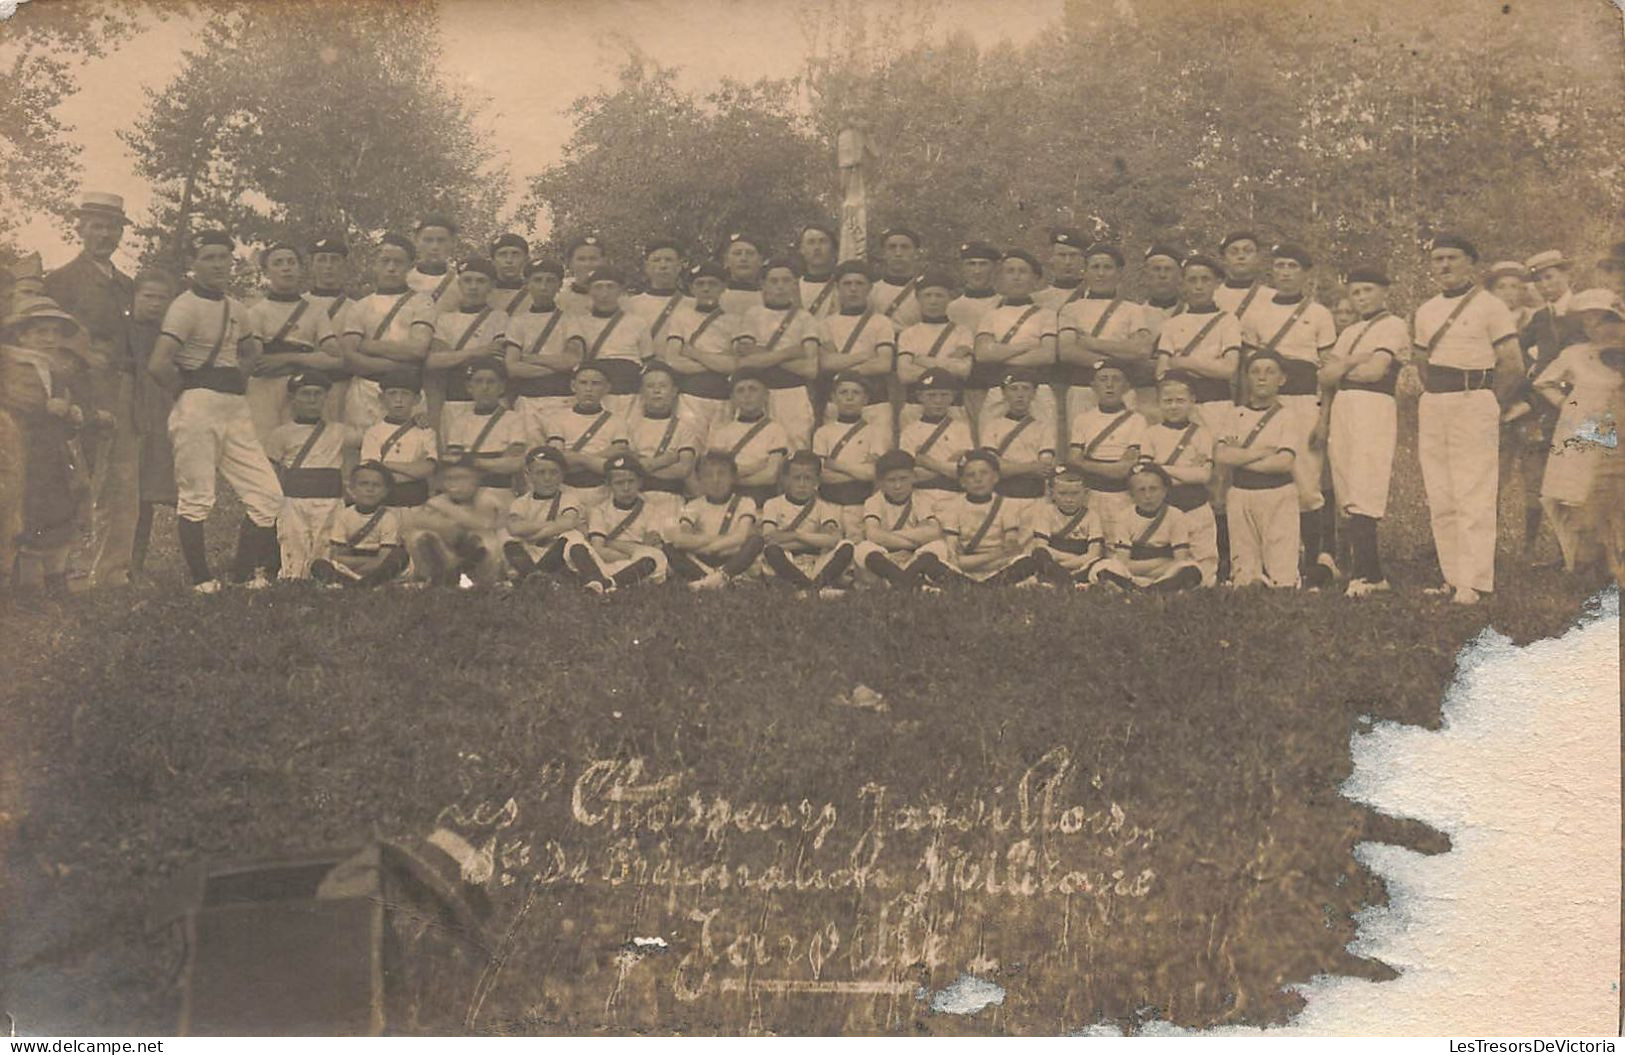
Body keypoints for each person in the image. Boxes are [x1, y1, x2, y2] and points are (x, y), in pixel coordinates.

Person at [147, 230, 284, 591]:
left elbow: (252, 352)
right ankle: (202, 580)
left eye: (224, 256)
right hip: (197, 405)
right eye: (209, 257)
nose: (218, 264)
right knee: (197, 496)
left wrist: (236, 377)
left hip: (235, 406)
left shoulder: (237, 308)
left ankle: (240, 575)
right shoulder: (184, 306)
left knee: (268, 493)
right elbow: (159, 363)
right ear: (193, 264)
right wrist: (190, 392)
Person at [1412, 233, 1525, 604]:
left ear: (1471, 263)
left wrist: (1490, 403)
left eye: (1453, 258)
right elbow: (1421, 364)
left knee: (1472, 490)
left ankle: (1474, 582)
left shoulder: (1490, 306)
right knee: (1441, 492)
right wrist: (1438, 394)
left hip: (1473, 398)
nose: (1444, 266)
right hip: (1435, 402)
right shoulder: (1426, 310)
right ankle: (1451, 576)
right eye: (1438, 259)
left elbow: (1513, 364)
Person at [43, 191, 137, 587]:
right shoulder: (60, 281)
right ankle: (69, 570)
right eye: (96, 225)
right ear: (80, 228)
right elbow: (49, 342)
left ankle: (111, 571)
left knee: (121, 482)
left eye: (112, 227)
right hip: (78, 393)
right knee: (76, 481)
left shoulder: (128, 285)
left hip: (122, 392)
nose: (104, 234)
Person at [1239, 243, 1338, 587]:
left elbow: (1328, 371)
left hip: (1303, 402)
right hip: (1269, 403)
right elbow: (1247, 369)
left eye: (1292, 266)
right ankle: (1274, 560)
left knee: (1307, 484)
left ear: (1305, 273)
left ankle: (1313, 561)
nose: (1284, 272)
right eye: (1279, 265)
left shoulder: (1320, 314)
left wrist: (1324, 417)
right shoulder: (1256, 313)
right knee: (1272, 480)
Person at [1317, 267, 1409, 596]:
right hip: (1344, 408)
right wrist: (1352, 360)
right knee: (1345, 483)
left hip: (1373, 406)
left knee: (1365, 480)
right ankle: (1371, 572)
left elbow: (1374, 372)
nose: (1361, 298)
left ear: (1384, 291)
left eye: (1368, 290)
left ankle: (1365, 575)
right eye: (1356, 292)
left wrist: (1341, 367)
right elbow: (1325, 378)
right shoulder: (1349, 332)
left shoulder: (1393, 325)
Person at [0, 297, 95, 596]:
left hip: (51, 449)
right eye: (41, 332)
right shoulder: (11, 364)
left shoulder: (54, 367)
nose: (49, 339)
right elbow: (13, 401)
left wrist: (71, 412)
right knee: (24, 511)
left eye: (54, 333)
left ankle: (55, 577)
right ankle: (24, 584)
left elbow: (61, 405)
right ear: (22, 334)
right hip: (19, 446)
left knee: (58, 506)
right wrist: (47, 407)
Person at [1532, 288, 1625, 571]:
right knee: (1570, 490)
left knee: (1606, 490)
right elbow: (1543, 381)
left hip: (1613, 426)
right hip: (1578, 428)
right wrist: (1568, 404)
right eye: (1587, 321)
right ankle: (1576, 557)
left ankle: (1614, 558)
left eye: (1600, 319)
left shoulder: (1619, 355)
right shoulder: (1573, 354)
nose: (1593, 327)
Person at [1505, 249, 1583, 560]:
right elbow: (1513, 348)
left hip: (1585, 403)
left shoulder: (1586, 310)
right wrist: (1529, 369)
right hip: (1547, 405)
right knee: (1543, 482)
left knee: (1583, 479)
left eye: (1550, 277)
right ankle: (1544, 550)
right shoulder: (1540, 317)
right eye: (1539, 281)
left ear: (1567, 275)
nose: (1545, 285)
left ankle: (1589, 553)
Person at [244, 242, 342, 446]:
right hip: (264, 392)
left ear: (300, 269)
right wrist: (312, 359)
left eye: (291, 262)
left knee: (302, 447)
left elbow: (334, 358)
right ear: (267, 272)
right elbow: (257, 362)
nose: (286, 267)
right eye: (278, 263)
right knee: (264, 447)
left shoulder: (315, 311)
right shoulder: (256, 312)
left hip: (302, 391)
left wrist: (288, 358)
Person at [1216, 352, 1299, 589]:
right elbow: (1222, 455)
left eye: (1270, 371)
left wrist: (1239, 457)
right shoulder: (1235, 414)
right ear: (1246, 378)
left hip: (1277, 493)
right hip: (1241, 493)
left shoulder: (1287, 415)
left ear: (1282, 379)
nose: (1262, 378)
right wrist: (1263, 452)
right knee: (1243, 575)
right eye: (1255, 371)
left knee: (1283, 577)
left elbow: (1283, 462)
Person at [339, 233, 435, 429]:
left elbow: (418, 349)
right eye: (385, 261)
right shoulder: (359, 306)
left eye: (398, 262)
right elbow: (349, 357)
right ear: (374, 264)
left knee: (408, 451)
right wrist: (399, 367)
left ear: (410, 266)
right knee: (363, 450)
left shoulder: (422, 302)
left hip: (408, 393)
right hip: (366, 393)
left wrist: (366, 346)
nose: (391, 268)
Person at [263, 371, 351, 579]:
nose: (312, 399)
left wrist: (416, 421)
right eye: (305, 394)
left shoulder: (339, 431)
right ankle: (294, 578)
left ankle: (326, 577)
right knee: (294, 541)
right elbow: (269, 469)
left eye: (317, 394)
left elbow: (375, 434)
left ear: (325, 398)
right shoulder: (281, 434)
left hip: (329, 498)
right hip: (294, 499)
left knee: (327, 542)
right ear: (293, 399)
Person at [1056, 243, 1154, 428]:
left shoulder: (1133, 310)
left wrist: (1091, 343)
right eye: (1095, 267)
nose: (1101, 273)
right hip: (1083, 388)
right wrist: (1116, 357)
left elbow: (1141, 351)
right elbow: (1067, 351)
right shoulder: (1071, 309)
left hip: (1122, 390)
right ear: (1085, 273)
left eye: (1107, 267)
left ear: (1119, 273)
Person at [734, 258, 821, 449]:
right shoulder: (752, 314)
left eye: (786, 281)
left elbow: (810, 369)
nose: (780, 286)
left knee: (795, 449)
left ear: (794, 284)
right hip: (758, 393)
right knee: (756, 449)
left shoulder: (805, 319)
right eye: (774, 281)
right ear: (763, 285)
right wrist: (790, 352)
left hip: (793, 393)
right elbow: (747, 360)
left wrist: (763, 354)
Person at [1140, 375, 1218, 585]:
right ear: (1158, 402)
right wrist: (1184, 472)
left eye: (1180, 400)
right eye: (1167, 401)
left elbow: (1203, 475)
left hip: (1196, 506)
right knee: (1169, 557)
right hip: (1166, 508)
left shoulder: (1202, 434)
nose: (1174, 406)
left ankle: (1204, 588)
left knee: (1204, 556)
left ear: (1192, 400)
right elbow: (1148, 477)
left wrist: (1162, 468)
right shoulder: (1151, 433)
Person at [1153, 254, 1241, 433]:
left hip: (1217, 405)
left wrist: (1185, 363)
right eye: (1192, 280)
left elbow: (1228, 369)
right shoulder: (1173, 323)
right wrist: (1210, 367)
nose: (1198, 286)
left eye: (1205, 280)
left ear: (1216, 283)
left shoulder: (1228, 320)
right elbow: (1161, 373)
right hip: (1181, 409)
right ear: (1183, 284)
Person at [127, 271, 178, 578]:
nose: (155, 304)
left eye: (162, 298)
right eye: (148, 296)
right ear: (134, 298)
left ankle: (136, 563)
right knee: (125, 491)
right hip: (128, 411)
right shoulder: (124, 331)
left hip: (159, 414)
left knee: (146, 492)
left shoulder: (170, 337)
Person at [972, 250, 1057, 431]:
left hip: (1037, 390)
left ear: (1035, 279)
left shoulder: (1046, 315)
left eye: (1023, 271)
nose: (1016, 277)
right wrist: (1025, 346)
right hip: (999, 389)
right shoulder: (990, 315)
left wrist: (999, 355)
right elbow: (982, 354)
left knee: (1042, 441)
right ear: (1001, 278)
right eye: (1010, 271)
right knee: (992, 440)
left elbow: (1047, 355)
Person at [924, 449, 1036, 585]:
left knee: (1026, 562)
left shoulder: (1007, 505)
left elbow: (1010, 550)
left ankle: (974, 586)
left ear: (995, 477)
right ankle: (988, 586)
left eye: (984, 473)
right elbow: (954, 557)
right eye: (971, 475)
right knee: (930, 560)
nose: (978, 479)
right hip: (964, 566)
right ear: (962, 482)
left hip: (1000, 567)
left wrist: (1003, 553)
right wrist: (993, 556)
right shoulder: (952, 507)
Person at [564, 452, 671, 594]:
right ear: (609, 485)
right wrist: (631, 550)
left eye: (631, 481)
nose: (626, 488)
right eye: (619, 483)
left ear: (640, 482)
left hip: (636, 565)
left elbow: (650, 544)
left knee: (653, 557)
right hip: (603, 564)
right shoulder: (600, 510)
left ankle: (604, 584)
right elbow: (598, 548)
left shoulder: (651, 510)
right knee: (574, 541)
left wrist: (613, 545)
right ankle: (600, 581)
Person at [757, 450, 856, 596]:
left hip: (815, 561)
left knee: (847, 546)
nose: (802, 484)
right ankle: (815, 589)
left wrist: (796, 535)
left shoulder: (824, 507)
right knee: (771, 551)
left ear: (817, 482)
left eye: (808, 478)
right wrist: (815, 539)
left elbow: (832, 539)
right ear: (786, 480)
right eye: (797, 478)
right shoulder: (773, 504)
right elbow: (770, 537)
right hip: (787, 560)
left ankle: (809, 589)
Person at [1093, 462, 1203, 592]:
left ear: (1164, 491)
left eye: (1153, 489)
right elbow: (1124, 562)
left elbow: (1180, 559)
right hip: (1132, 573)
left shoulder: (1176, 515)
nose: (1148, 496)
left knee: (1190, 570)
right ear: (1132, 495)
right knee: (1102, 569)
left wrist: (1152, 568)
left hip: (1165, 574)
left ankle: (1140, 590)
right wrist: (1160, 562)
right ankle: (1155, 590)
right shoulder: (1123, 517)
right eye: (1141, 490)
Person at [427, 258, 507, 433]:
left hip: (486, 401)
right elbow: (434, 361)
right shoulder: (445, 319)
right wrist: (479, 352)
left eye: (480, 281)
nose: (473, 287)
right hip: (452, 400)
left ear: (491, 285)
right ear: (459, 284)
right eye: (467, 280)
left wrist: (453, 357)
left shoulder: (499, 317)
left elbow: (496, 363)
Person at [664, 451, 765, 589]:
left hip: (731, 555)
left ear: (732, 478)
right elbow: (682, 539)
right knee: (669, 547)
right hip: (703, 556)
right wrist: (711, 545)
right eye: (708, 475)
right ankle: (715, 578)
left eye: (722, 474)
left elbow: (740, 537)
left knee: (755, 541)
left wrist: (712, 547)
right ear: (700, 479)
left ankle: (712, 578)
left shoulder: (744, 502)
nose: (715, 480)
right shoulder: (693, 505)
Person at [661, 262, 738, 440]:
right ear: (691, 288)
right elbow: (673, 360)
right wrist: (717, 362)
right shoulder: (681, 317)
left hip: (723, 396)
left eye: (713, 284)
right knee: (689, 445)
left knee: (719, 448)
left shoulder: (734, 320)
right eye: (700, 284)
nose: (706, 289)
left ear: (723, 287)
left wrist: (695, 354)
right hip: (690, 395)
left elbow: (734, 364)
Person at [561, 267, 651, 418]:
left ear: (620, 290)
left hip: (629, 393)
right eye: (598, 287)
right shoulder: (578, 322)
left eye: (610, 286)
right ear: (589, 291)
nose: (604, 293)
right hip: (595, 394)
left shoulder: (637, 322)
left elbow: (647, 360)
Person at [818, 261, 896, 436]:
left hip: (875, 402)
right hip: (837, 403)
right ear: (837, 288)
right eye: (847, 283)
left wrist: (842, 362)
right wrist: (864, 356)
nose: (853, 289)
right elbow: (826, 364)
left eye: (859, 283)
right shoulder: (826, 324)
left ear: (869, 288)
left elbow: (883, 364)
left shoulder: (881, 322)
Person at [439, 358, 526, 513]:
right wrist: (496, 460)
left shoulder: (514, 419)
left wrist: (471, 460)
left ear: (501, 387)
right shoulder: (459, 421)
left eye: (491, 382)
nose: (484, 387)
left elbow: (514, 464)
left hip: (500, 493)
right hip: (465, 495)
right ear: (469, 387)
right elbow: (453, 463)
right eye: (478, 381)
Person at [1067, 359, 1146, 526]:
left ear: (1125, 386)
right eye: (1103, 379)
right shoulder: (1082, 419)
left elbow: (1124, 469)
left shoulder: (1137, 420)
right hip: (1090, 496)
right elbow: (1073, 460)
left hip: (1122, 496)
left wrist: (1086, 463)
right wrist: (1111, 467)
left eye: (1116, 379)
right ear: (1093, 386)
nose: (1109, 385)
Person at [405, 458, 506, 587]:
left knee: (485, 540)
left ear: (476, 479)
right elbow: (417, 521)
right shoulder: (438, 501)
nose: (454, 484)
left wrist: (447, 510)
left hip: (488, 562)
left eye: (461, 478)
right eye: (449, 479)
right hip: (450, 553)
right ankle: (438, 578)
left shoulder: (487, 496)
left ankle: (482, 583)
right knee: (419, 536)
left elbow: (485, 525)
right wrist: (450, 528)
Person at [852, 449, 943, 590]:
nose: (897, 486)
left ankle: (899, 583)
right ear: (881, 482)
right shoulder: (874, 501)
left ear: (913, 477)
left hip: (914, 558)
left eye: (903, 478)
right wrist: (915, 538)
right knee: (862, 549)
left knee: (938, 546)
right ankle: (912, 584)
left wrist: (888, 536)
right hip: (886, 559)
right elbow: (872, 535)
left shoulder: (922, 499)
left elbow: (933, 532)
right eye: (891, 480)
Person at [544, 362, 630, 512]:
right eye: (583, 383)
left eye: (596, 384)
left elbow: (615, 461)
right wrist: (597, 460)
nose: (589, 389)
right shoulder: (558, 419)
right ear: (573, 386)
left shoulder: (617, 421)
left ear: (607, 388)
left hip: (603, 492)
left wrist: (578, 458)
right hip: (567, 490)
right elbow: (557, 460)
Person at [309, 461, 410, 588]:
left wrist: (363, 565)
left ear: (385, 492)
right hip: (349, 568)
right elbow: (338, 556)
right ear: (351, 489)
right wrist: (361, 563)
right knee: (319, 564)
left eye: (376, 485)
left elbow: (384, 558)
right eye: (363, 484)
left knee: (400, 556)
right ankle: (363, 584)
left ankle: (354, 584)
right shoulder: (343, 515)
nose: (370, 489)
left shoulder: (389, 518)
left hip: (378, 569)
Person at [503, 259, 574, 432]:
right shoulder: (517, 321)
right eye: (537, 280)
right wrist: (556, 366)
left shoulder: (571, 320)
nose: (543, 287)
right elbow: (512, 367)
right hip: (527, 400)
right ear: (527, 285)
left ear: (559, 286)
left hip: (562, 399)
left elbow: (572, 360)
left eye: (550, 280)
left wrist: (530, 359)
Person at [624, 362, 700, 523]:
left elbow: (683, 469)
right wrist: (666, 460)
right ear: (642, 393)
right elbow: (626, 468)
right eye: (650, 386)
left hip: (671, 500)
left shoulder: (684, 428)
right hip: (636, 498)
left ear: (673, 392)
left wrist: (643, 465)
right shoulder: (629, 426)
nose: (657, 391)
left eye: (663, 386)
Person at [896, 269, 973, 427]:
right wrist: (948, 365)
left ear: (949, 298)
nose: (933, 301)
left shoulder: (962, 332)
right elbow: (905, 374)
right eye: (927, 295)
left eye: (939, 295)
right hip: (915, 407)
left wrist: (922, 360)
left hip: (953, 407)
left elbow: (964, 370)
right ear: (918, 298)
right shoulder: (908, 334)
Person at [813, 371, 885, 538]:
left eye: (856, 393)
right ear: (833, 398)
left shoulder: (875, 433)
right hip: (828, 504)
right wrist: (859, 471)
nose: (849, 398)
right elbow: (821, 475)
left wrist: (835, 465)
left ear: (866, 399)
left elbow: (873, 473)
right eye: (843, 392)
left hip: (860, 504)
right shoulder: (823, 433)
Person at [706, 369, 791, 507]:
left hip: (762, 499)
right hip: (729, 501)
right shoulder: (723, 432)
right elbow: (717, 473)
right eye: (740, 391)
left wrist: (732, 478)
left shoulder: (776, 429)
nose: (747, 395)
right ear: (732, 399)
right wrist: (757, 466)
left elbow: (770, 475)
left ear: (765, 395)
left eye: (753, 389)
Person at [980, 367, 1056, 520]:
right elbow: (992, 467)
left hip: (1035, 499)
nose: (1020, 395)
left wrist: (1008, 467)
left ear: (1034, 393)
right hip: (1001, 499)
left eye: (1026, 389)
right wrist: (1030, 467)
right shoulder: (993, 426)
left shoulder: (1044, 427)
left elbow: (1044, 468)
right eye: (1013, 389)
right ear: (1004, 393)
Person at [502, 446, 584, 584]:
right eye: (540, 473)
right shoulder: (522, 502)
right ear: (528, 475)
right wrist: (553, 526)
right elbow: (515, 528)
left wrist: (533, 535)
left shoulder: (569, 498)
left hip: (556, 555)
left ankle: (532, 578)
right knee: (507, 539)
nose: (547, 478)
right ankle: (536, 577)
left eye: (554, 473)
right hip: (530, 554)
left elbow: (567, 523)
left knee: (570, 536)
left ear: (562, 475)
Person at [359, 369, 437, 510]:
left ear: (417, 399)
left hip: (417, 502)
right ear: (382, 398)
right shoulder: (373, 432)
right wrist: (413, 470)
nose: (398, 400)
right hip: (384, 503)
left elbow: (427, 469)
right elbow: (372, 474)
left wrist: (386, 464)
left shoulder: (425, 432)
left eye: (405, 394)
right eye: (392, 393)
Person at [1025, 467, 1106, 588]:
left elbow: (1094, 554)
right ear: (1052, 493)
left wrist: (1061, 566)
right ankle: (1066, 581)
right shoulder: (1046, 512)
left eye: (1075, 493)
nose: (1069, 499)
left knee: (1101, 564)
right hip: (1054, 561)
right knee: (1038, 554)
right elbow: (1041, 546)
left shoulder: (1092, 516)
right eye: (1062, 493)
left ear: (1086, 493)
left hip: (1079, 566)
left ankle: (1058, 578)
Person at [898, 368, 974, 494]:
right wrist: (948, 467)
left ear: (952, 397)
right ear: (920, 397)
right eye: (931, 395)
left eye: (944, 395)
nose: (938, 401)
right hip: (921, 494)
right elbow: (911, 474)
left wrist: (928, 463)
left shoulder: (962, 429)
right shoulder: (910, 432)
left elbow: (966, 470)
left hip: (955, 494)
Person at [304, 237, 354, 424]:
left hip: (342, 386)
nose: (328, 266)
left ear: (344, 265)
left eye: (334, 260)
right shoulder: (299, 304)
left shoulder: (357, 307)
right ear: (312, 265)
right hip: (304, 387)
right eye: (322, 259)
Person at [627, 238, 690, 345]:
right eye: (656, 260)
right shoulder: (631, 305)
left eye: (669, 260)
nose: (663, 266)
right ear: (647, 266)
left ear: (679, 266)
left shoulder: (692, 304)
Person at [1213, 231, 1275, 325]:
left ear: (1258, 257)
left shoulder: (1272, 297)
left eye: (1248, 251)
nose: (1241, 256)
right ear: (1223, 259)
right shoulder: (1212, 297)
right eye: (1233, 252)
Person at [407, 214, 462, 317]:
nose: (434, 247)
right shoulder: (404, 281)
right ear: (416, 241)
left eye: (441, 241)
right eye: (428, 240)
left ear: (453, 243)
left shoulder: (461, 284)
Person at [870, 227, 923, 328]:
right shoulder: (871, 291)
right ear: (883, 253)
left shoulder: (925, 292)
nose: (898, 253)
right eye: (892, 247)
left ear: (916, 253)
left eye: (905, 247)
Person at [948, 241, 1002, 332]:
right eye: (971, 264)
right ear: (963, 268)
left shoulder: (1003, 304)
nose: (977, 271)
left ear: (995, 267)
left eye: (983, 264)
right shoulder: (951, 309)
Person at [1035, 228, 1089, 313]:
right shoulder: (1038, 300)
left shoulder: (1091, 297)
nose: (1068, 262)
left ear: (1082, 259)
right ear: (1052, 258)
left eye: (1073, 255)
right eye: (1062, 255)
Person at [1139, 244, 1185, 341]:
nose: (1162, 275)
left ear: (1180, 276)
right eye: (1156, 269)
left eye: (1168, 269)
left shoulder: (1189, 313)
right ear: (1145, 276)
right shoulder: (1134, 315)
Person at [796, 223, 840, 318]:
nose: (817, 248)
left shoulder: (844, 286)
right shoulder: (794, 289)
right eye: (811, 242)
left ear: (833, 248)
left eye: (823, 241)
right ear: (801, 249)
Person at [720, 233, 766, 317]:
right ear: (726, 261)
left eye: (750, 253)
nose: (743, 258)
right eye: (737, 253)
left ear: (760, 260)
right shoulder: (716, 298)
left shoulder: (770, 299)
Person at [559, 235, 606, 316]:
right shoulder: (559, 300)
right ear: (570, 263)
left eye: (593, 259)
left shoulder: (617, 299)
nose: (588, 264)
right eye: (581, 259)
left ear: (604, 262)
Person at [1485, 260, 1534, 332]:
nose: (1507, 293)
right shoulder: (1484, 318)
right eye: (1500, 287)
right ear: (1491, 292)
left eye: (1514, 287)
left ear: (1522, 290)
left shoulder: (1532, 318)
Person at [489, 234, 532, 315]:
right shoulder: (482, 293)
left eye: (515, 254)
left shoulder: (535, 294)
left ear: (526, 260)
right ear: (493, 261)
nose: (509, 260)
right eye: (502, 254)